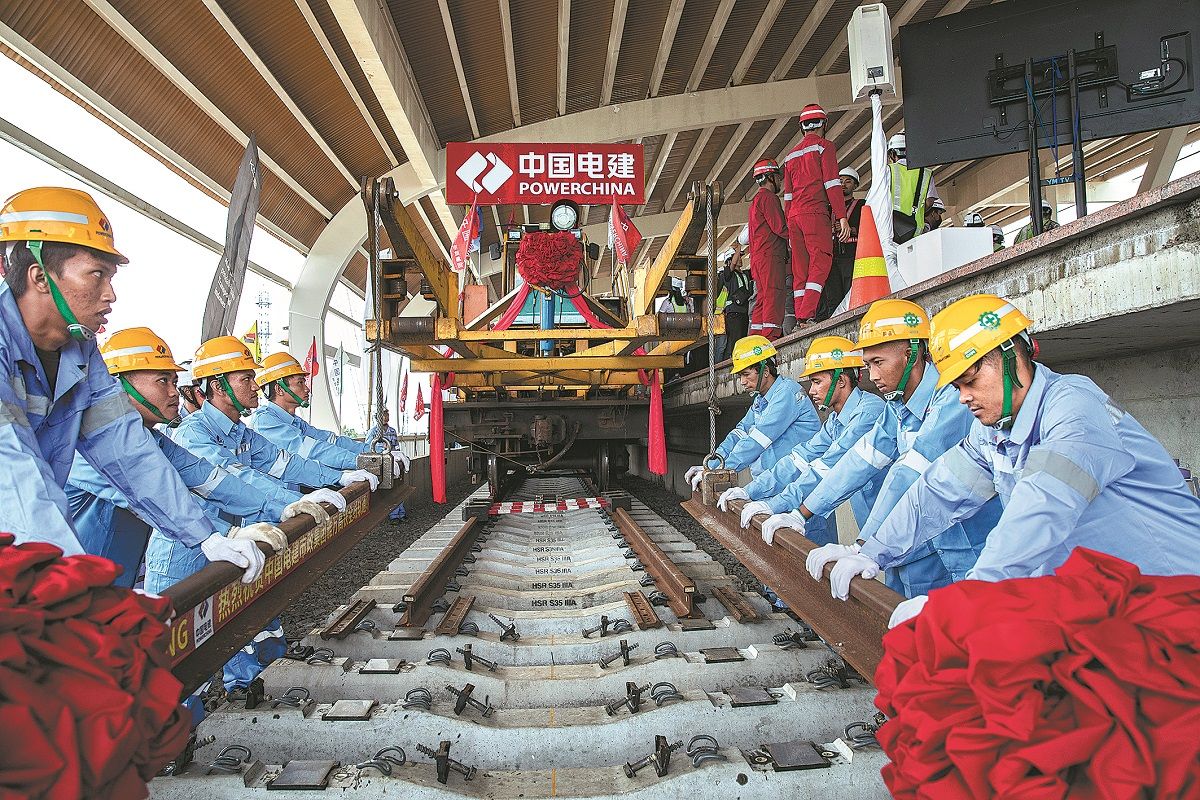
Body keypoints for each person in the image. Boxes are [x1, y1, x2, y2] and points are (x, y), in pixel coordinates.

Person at [811, 294, 1200, 629]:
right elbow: (936, 491)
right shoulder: (994, 431)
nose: (963, 398)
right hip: (1109, 607)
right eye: (956, 386)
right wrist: (870, 550)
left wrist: (971, 598)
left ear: (1014, 355)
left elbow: (1041, 507)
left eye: (970, 380)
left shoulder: (1073, 409)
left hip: (1172, 598)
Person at [0, 187, 263, 580]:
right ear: (40, 276)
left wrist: (205, 536)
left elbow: (126, 449)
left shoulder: (80, 354)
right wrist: (72, 590)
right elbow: (14, 473)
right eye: (97, 275)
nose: (111, 294)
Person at [66, 328, 331, 587]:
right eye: (162, 381)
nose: (174, 391)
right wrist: (225, 533)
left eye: (173, 381)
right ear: (117, 386)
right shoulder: (85, 448)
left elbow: (210, 478)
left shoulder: (152, 441)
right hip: (70, 589)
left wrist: (284, 506)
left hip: (111, 579)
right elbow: (147, 497)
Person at [784, 300, 1001, 598]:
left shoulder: (952, 399)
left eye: (878, 362)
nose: (872, 376)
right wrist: (799, 512)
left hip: (966, 552)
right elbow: (858, 462)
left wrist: (864, 547)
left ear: (912, 353)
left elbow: (910, 473)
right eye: (867, 365)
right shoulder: (895, 407)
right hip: (911, 546)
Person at [718, 336, 885, 548]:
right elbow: (801, 457)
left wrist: (787, 507)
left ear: (841, 381)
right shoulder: (834, 421)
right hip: (858, 509)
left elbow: (828, 468)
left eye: (816, 382)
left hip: (878, 514)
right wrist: (748, 490)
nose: (811, 390)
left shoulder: (868, 413)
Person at [174, 336, 379, 500]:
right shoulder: (193, 433)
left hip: (229, 540)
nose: (255, 386)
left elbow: (284, 462)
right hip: (193, 549)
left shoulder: (242, 433)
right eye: (246, 379)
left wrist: (340, 476)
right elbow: (236, 480)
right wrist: (295, 500)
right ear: (218, 387)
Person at [684, 335, 820, 491]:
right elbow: (739, 433)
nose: (742, 381)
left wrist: (719, 470)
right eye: (740, 375)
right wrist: (712, 465)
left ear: (766, 371)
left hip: (800, 486)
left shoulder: (786, 393)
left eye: (746, 374)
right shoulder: (761, 399)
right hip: (778, 485)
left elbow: (757, 440)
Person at [250, 351, 408, 475]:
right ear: (279, 389)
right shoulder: (265, 422)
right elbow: (314, 450)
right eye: (300, 382)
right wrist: (367, 461)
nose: (307, 388)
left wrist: (379, 452)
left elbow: (332, 441)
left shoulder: (294, 422)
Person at [781, 105, 850, 326]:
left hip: (794, 218)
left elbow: (788, 196)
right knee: (821, 261)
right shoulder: (824, 147)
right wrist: (842, 217)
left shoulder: (790, 156)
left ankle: (802, 317)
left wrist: (788, 228)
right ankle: (806, 313)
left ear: (802, 128)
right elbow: (831, 184)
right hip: (814, 213)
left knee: (800, 269)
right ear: (824, 125)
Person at [746, 158, 789, 340]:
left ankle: (756, 339)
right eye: (778, 177)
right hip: (770, 256)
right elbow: (780, 227)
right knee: (774, 296)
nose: (780, 181)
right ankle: (771, 338)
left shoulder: (756, 200)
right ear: (771, 177)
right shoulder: (769, 198)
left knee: (762, 300)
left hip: (758, 258)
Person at [816, 167, 865, 320]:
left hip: (852, 257)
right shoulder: (828, 208)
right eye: (840, 181)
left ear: (855, 185)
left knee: (851, 295)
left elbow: (870, 226)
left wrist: (852, 229)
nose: (843, 184)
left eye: (848, 181)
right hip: (831, 258)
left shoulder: (862, 205)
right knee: (833, 299)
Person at [887, 133, 940, 244]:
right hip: (915, 230)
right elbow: (930, 201)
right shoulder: (926, 173)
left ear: (892, 153)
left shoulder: (888, 170)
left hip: (890, 229)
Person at [717, 248, 752, 360]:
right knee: (736, 339)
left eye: (741, 257)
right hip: (733, 313)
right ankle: (736, 359)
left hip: (745, 311)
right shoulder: (727, 274)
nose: (740, 259)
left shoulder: (746, 274)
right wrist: (738, 248)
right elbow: (731, 266)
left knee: (745, 338)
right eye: (737, 257)